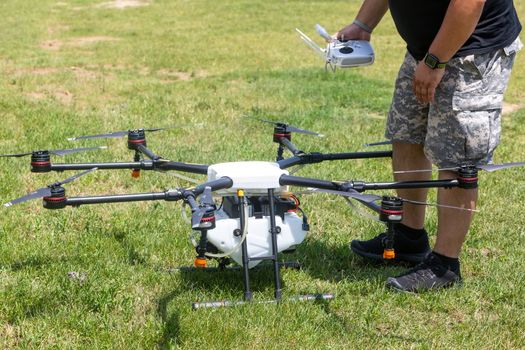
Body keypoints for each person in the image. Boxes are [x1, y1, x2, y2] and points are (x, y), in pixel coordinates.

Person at [336, 0, 522, 292]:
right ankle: (409, 237)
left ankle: (445, 265)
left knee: (456, 156)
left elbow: (468, 2)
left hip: (474, 51)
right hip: (425, 50)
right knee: (406, 134)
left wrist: (436, 61)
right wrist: (363, 24)